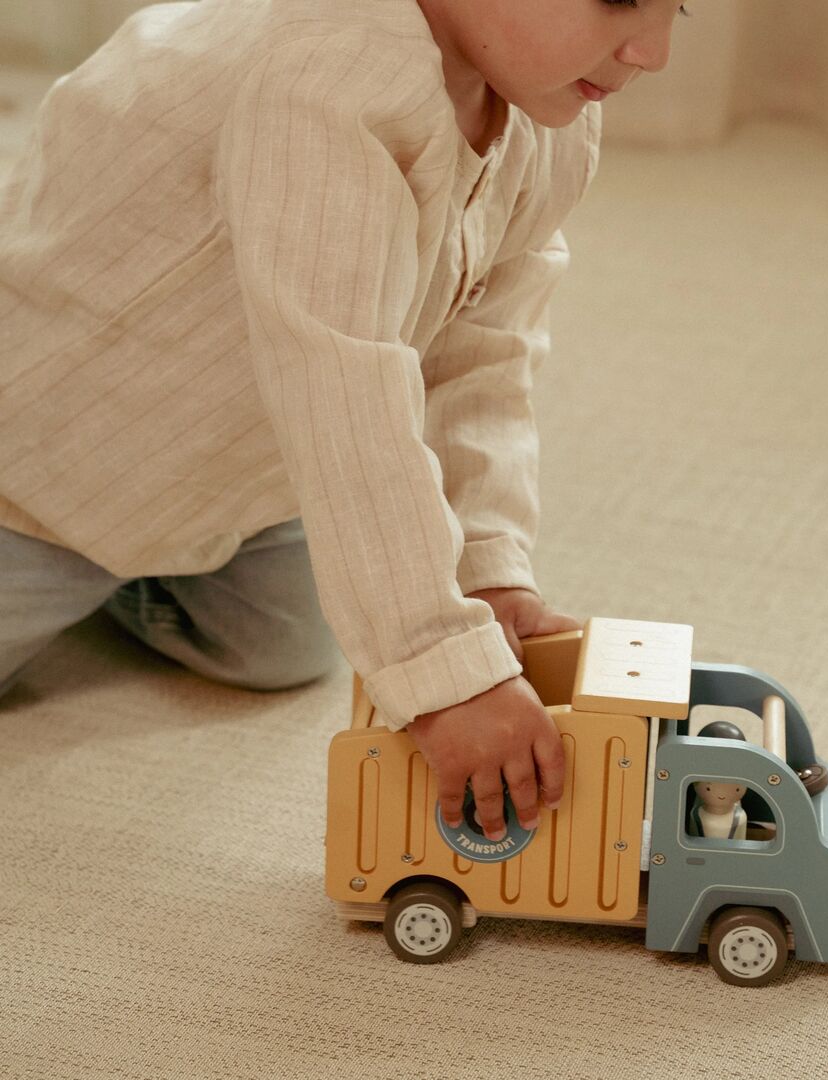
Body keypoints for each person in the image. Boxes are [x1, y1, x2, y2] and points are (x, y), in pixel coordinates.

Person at [0, 0, 684, 842]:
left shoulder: (542, 113)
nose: (653, 51)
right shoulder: (325, 70)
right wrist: (442, 669)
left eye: (681, 5)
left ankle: (150, 562)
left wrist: (485, 570)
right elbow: (341, 374)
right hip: (36, 469)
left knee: (284, 645)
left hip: (239, 460)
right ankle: (104, 563)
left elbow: (481, 346)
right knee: (387, 622)